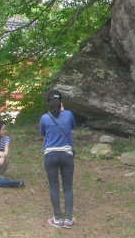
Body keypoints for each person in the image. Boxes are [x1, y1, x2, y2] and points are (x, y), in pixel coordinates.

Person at [39, 89, 76, 229]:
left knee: (54, 186)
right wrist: (64, 110)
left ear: (48, 103)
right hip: (66, 154)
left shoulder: (45, 117)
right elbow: (72, 126)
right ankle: (68, 220)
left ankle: (57, 218)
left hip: (50, 154)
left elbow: (42, 132)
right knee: (67, 186)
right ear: (61, 102)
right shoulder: (69, 114)